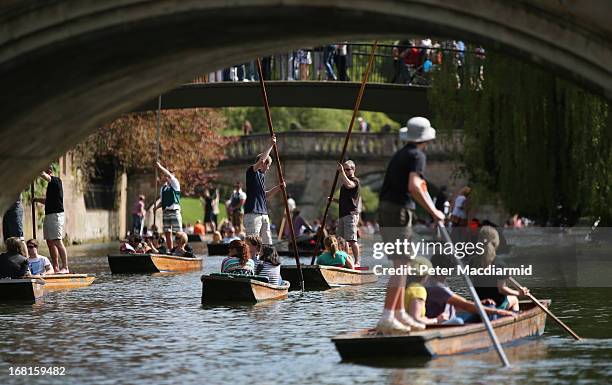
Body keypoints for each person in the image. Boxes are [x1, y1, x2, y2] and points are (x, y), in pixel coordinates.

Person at [376, 117, 445, 334]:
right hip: (398, 211)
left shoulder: (402, 154)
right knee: (400, 263)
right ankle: (388, 315)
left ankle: (398, 313)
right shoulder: (417, 155)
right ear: (426, 138)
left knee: (403, 263)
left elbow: (418, 187)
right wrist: (434, 212)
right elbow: (414, 186)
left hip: (389, 209)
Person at [425, 253, 515, 324]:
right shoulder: (438, 287)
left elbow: (456, 305)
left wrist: (480, 303)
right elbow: (465, 304)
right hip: (449, 324)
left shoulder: (432, 282)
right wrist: (497, 311)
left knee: (487, 307)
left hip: (450, 319)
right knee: (490, 308)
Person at [470, 226, 529, 312]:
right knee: (514, 299)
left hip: (479, 303)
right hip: (496, 304)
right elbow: (501, 289)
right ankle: (512, 318)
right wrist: (519, 293)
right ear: (496, 242)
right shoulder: (500, 264)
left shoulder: (472, 261)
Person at [244, 135, 284, 245]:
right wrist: (271, 145)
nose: (269, 168)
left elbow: (264, 195)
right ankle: (251, 261)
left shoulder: (261, 176)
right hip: (253, 213)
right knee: (253, 242)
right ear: (263, 163)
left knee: (267, 243)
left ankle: (268, 261)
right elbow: (262, 159)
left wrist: (279, 188)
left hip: (263, 213)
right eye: (268, 165)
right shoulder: (251, 172)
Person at [35, 166, 69, 274]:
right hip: (49, 215)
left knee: (57, 241)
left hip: (56, 215)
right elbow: (48, 201)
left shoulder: (56, 181)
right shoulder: (51, 186)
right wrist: (36, 199)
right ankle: (55, 267)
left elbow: (44, 175)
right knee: (50, 241)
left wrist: (33, 169)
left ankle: (65, 267)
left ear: (49, 172)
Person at [404, 256, 447, 326]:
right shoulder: (419, 290)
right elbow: (415, 319)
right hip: (412, 332)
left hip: (403, 328)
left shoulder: (405, 287)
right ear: (426, 275)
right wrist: (437, 320)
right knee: (458, 321)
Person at [334, 160, 361, 265]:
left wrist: (341, 172)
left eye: (347, 169)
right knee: (341, 240)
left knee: (352, 240)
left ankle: (357, 262)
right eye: (344, 169)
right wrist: (333, 200)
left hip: (350, 214)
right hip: (342, 214)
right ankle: (346, 260)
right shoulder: (344, 184)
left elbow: (350, 185)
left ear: (353, 170)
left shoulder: (355, 181)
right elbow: (344, 200)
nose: (345, 171)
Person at [155, 162, 182, 251]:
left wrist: (160, 167)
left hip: (174, 211)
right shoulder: (163, 188)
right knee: (167, 232)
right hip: (165, 212)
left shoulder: (175, 183)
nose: (167, 176)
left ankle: (180, 249)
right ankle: (171, 250)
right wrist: (156, 207)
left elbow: (169, 175)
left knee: (178, 233)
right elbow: (163, 202)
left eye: (170, 173)